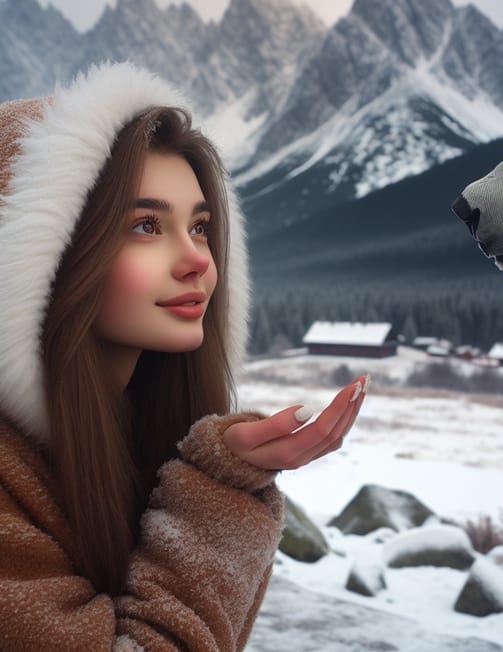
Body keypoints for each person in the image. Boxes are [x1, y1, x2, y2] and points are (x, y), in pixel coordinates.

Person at [0, 62, 367, 650]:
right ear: (39, 257)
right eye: (146, 225)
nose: (198, 259)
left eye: (200, 227)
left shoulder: (133, 435)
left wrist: (222, 474)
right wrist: (213, 506)